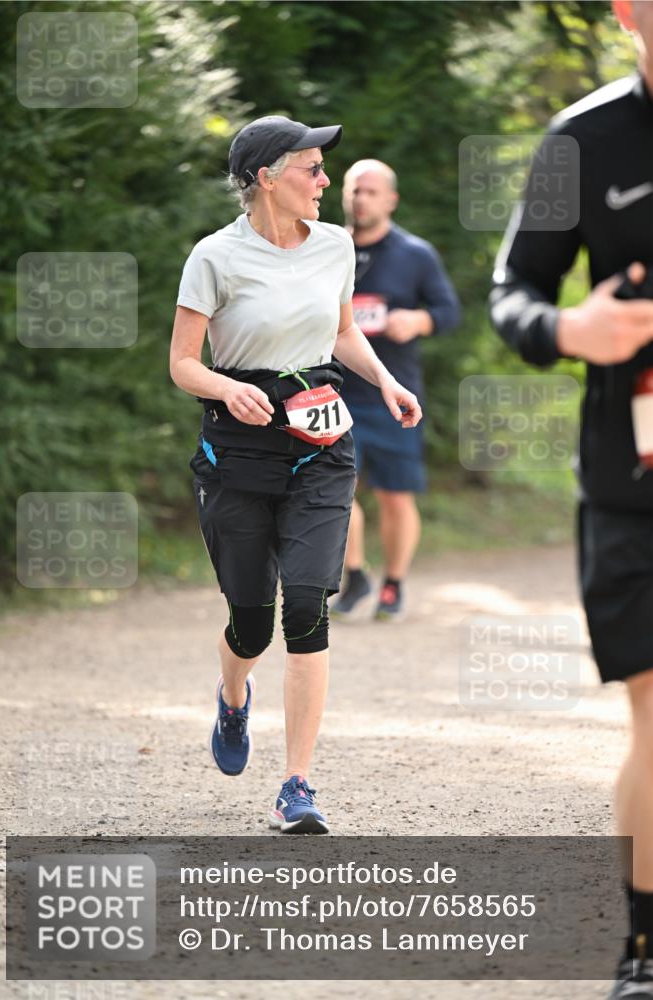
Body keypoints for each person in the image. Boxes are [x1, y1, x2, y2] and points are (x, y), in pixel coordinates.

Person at [170, 116, 422, 834]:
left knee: (307, 603)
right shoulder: (214, 257)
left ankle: (296, 785)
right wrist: (224, 389)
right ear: (265, 179)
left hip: (320, 438)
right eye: (311, 169)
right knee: (250, 622)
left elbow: (343, 332)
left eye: (323, 169)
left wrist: (381, 383)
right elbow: (183, 361)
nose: (324, 182)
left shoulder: (335, 246)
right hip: (239, 447)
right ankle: (231, 694)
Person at [489, 2, 653, 994]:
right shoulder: (582, 140)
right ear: (630, 11)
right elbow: (513, 288)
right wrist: (566, 330)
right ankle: (643, 949)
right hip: (634, 483)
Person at [332, 159, 460, 621]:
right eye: (354, 190)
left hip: (393, 394)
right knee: (332, 488)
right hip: (335, 392)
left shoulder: (415, 254)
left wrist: (419, 320)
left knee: (394, 496)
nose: (360, 199)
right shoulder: (328, 248)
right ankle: (355, 574)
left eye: (370, 192)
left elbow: (449, 311)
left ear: (390, 200)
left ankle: (393, 584)